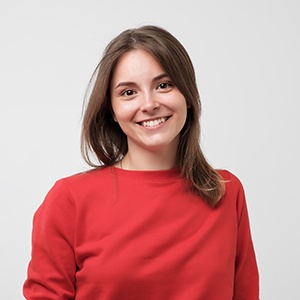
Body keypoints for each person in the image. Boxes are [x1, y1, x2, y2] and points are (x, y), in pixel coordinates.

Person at [23, 25, 259, 299]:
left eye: (163, 85)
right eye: (128, 92)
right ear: (111, 109)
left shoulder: (226, 191)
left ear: (188, 96)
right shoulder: (69, 200)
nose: (149, 104)